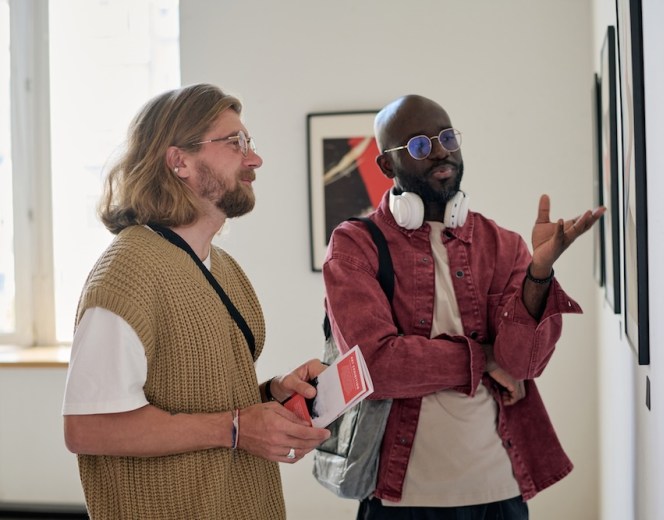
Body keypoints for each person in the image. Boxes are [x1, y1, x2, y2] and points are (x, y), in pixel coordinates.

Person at [322, 94, 606, 519]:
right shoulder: (354, 245)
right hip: (403, 501)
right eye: (420, 145)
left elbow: (524, 361)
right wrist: (484, 357)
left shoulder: (503, 244)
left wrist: (540, 273)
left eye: (447, 138)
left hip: (500, 492)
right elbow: (377, 368)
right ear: (386, 166)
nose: (440, 151)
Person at [62, 83, 330, 520]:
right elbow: (87, 428)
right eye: (235, 143)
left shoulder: (222, 266)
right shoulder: (127, 273)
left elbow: (205, 404)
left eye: (250, 143)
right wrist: (237, 428)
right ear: (179, 161)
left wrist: (274, 396)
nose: (254, 159)